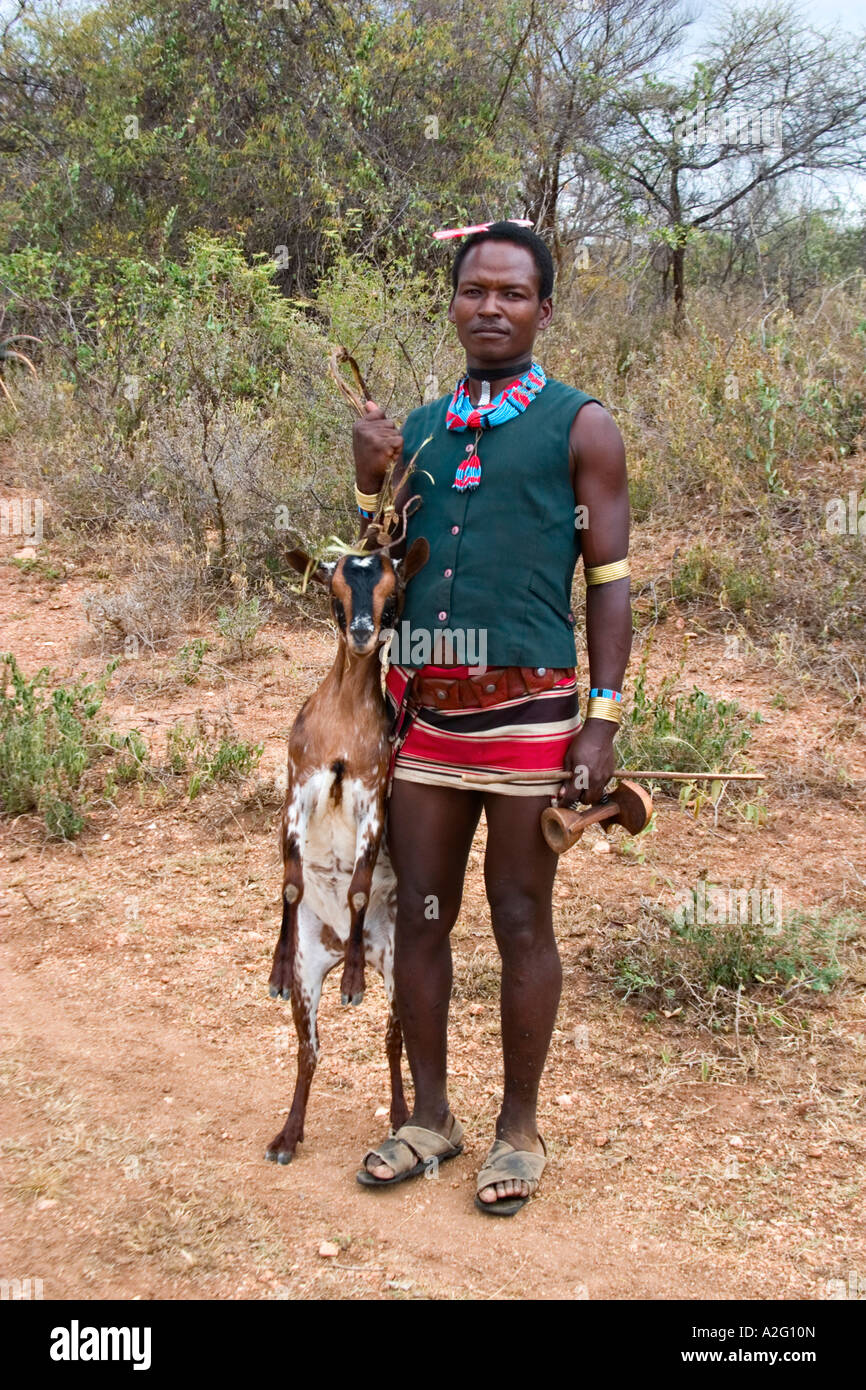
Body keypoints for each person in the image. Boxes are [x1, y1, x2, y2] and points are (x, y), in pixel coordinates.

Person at [351, 221, 631, 1216]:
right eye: (474, 290)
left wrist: (597, 722)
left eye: (512, 293)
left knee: (519, 917)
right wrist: (365, 478)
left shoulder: (579, 426)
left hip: (530, 717)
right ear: (453, 300)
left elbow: (606, 585)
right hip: (425, 715)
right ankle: (430, 1117)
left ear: (543, 310)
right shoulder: (416, 430)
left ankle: (518, 1127)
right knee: (422, 911)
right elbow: (372, 570)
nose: (490, 308)